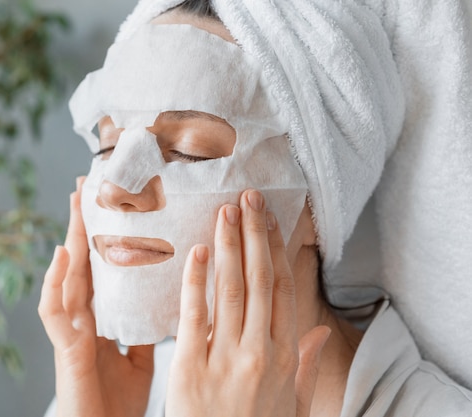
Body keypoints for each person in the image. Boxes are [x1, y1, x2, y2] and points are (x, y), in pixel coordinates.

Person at [38, 1, 472, 416]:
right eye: (108, 145)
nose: (114, 188)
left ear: (315, 210)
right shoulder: (119, 397)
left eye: (191, 152)